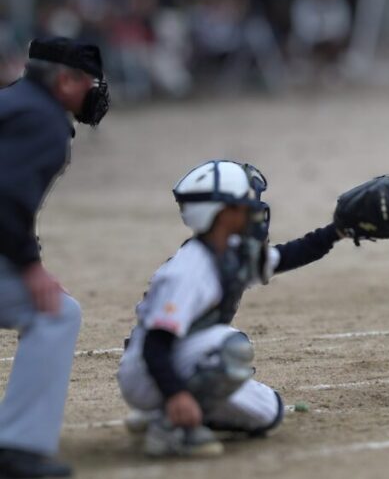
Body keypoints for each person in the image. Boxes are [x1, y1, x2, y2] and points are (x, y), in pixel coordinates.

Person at [116, 160, 348, 457]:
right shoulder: (188, 270)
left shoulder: (228, 253)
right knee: (231, 348)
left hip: (179, 360)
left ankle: (162, 411)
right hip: (148, 371)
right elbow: (155, 344)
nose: (253, 211)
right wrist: (176, 395)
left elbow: (288, 255)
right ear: (221, 214)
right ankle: (170, 426)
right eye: (243, 205)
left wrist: (337, 231)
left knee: (269, 412)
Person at [0, 37, 110, 478]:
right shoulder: (44, 122)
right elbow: (5, 199)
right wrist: (29, 266)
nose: (94, 92)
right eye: (88, 82)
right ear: (64, 80)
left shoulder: (13, 102)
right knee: (57, 313)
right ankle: (19, 448)